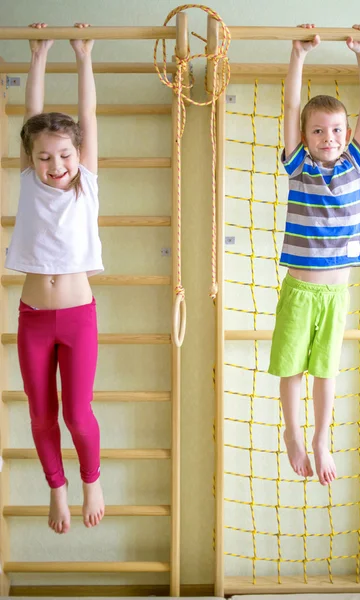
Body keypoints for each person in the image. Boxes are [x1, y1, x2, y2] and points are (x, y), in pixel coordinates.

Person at [6, 22, 105, 532]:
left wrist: (82, 55)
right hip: (33, 318)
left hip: (77, 316)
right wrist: (37, 55)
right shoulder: (29, 181)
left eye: (64, 154)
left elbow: (86, 115)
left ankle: (91, 479)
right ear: (32, 160)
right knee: (42, 416)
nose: (55, 163)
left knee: (77, 414)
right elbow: (31, 115)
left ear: (77, 156)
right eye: (44, 157)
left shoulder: (84, 183)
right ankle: (57, 491)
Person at [268, 24, 360, 486]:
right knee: (292, 366)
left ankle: (319, 437)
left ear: (347, 133)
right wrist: (297, 57)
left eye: (335, 129)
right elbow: (292, 106)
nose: (327, 137)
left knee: (325, 371)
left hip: (336, 296)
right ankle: (293, 433)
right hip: (300, 290)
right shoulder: (300, 165)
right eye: (317, 130)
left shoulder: (356, 161)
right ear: (305, 136)